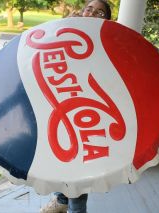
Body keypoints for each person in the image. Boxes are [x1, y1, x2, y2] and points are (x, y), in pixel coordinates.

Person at [39, 1, 111, 213]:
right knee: (62, 156)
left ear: (106, 20)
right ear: (82, 10)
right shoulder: (65, 31)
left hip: (87, 109)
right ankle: (61, 200)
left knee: (80, 162)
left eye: (100, 12)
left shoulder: (106, 41)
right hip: (60, 104)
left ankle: (76, 209)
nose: (93, 13)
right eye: (90, 8)